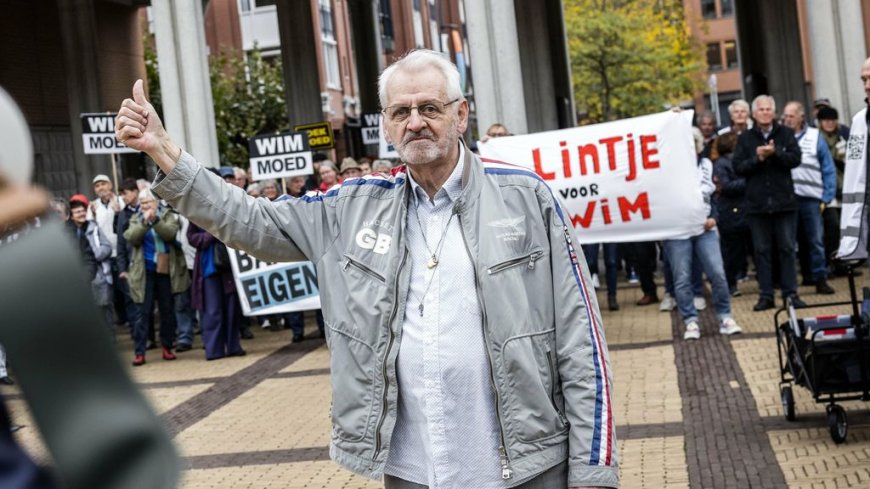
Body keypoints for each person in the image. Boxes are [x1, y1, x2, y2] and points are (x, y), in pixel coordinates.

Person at [117, 49, 617, 488]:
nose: (416, 121)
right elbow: (250, 220)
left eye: (430, 108)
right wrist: (164, 152)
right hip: (415, 470)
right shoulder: (350, 205)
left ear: (461, 115)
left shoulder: (527, 198)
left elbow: (582, 342)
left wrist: (593, 469)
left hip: (526, 470)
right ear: (386, 124)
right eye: (401, 111)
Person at [663, 130, 743, 340]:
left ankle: (725, 317)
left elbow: (712, 196)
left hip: (704, 229)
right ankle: (690, 321)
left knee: (717, 273)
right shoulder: (665, 169)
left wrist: (714, 217)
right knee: (681, 278)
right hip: (677, 231)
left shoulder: (706, 165)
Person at [733, 95, 806, 311]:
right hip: (757, 205)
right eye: (761, 109)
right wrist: (758, 158)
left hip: (784, 202)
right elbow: (738, 167)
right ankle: (766, 295)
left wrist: (776, 153)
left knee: (787, 249)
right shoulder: (745, 138)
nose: (765, 112)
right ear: (754, 114)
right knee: (762, 251)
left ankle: (790, 294)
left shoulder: (784, 133)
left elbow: (795, 159)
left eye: (768, 109)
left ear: (773, 113)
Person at [123, 189, 190, 366]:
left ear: (157, 203)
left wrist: (155, 220)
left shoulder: (167, 215)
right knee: (142, 313)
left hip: (166, 270)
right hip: (145, 271)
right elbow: (131, 237)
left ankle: (167, 347)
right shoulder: (136, 218)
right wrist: (145, 223)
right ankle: (140, 352)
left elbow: (170, 234)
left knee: (167, 310)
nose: (145, 206)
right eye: (143, 203)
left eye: (148, 202)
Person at [781, 101, 837, 294]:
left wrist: (827, 195)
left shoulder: (815, 136)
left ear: (801, 117)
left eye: (791, 116)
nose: (787, 119)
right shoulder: (780, 137)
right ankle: (796, 282)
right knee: (790, 242)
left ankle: (820, 277)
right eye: (785, 116)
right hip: (788, 198)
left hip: (811, 198)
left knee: (815, 240)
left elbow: (828, 167)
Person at [187, 220, 245, 360]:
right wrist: (211, 235)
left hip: (228, 268)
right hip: (208, 269)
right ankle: (214, 350)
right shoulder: (195, 214)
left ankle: (233, 346)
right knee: (212, 311)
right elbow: (192, 237)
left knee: (231, 309)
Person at [69, 197, 115, 337]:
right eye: (77, 212)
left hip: (99, 275)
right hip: (80, 277)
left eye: (83, 211)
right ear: (71, 215)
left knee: (104, 308)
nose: (81, 214)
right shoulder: (69, 231)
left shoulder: (94, 227)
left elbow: (107, 247)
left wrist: (91, 256)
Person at [712, 133, 750, 296]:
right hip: (731, 212)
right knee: (731, 251)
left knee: (740, 250)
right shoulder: (722, 163)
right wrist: (749, 181)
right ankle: (730, 284)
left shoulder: (733, 161)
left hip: (742, 210)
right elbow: (726, 186)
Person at [817, 106, 851, 276]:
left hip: (845, 187)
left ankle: (844, 262)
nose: (829, 123)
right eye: (826, 120)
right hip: (827, 190)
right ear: (820, 122)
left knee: (846, 227)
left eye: (832, 120)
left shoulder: (844, 136)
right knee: (832, 226)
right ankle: (832, 261)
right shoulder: (817, 139)